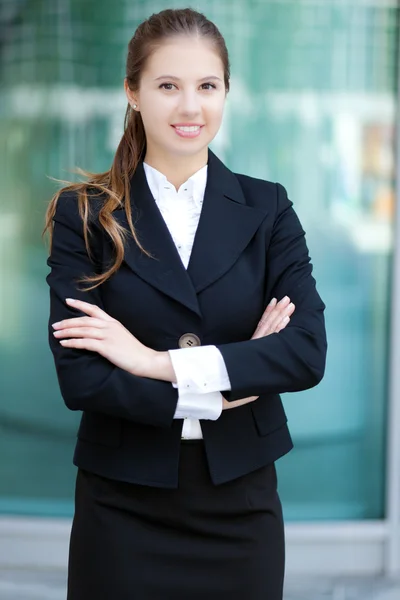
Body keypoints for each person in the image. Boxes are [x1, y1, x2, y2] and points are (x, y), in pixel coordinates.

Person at [44, 8, 327, 600]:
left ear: (226, 93)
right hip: (122, 504)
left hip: (240, 505)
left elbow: (304, 353)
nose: (190, 107)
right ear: (133, 92)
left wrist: (151, 362)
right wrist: (232, 375)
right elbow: (83, 379)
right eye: (168, 86)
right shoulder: (85, 214)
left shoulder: (268, 208)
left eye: (207, 86)